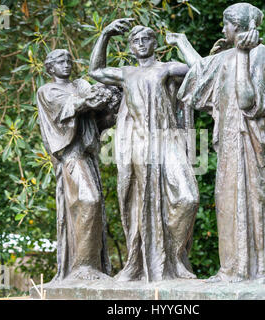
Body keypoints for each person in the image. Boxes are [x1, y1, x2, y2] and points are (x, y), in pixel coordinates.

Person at [167, 3, 265, 283]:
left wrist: (243, 54)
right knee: (227, 201)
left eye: (225, 24)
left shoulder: (259, 54)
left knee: (249, 201)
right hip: (229, 141)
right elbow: (202, 70)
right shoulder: (228, 55)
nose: (222, 29)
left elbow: (247, 100)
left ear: (237, 26)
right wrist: (182, 42)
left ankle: (248, 272)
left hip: (248, 143)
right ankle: (230, 269)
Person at [89, 20, 199, 282]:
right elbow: (95, 70)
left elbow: (199, 70)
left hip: (167, 140)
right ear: (130, 48)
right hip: (138, 142)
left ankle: (174, 258)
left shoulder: (167, 68)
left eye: (145, 39)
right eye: (135, 41)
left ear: (154, 43)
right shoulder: (126, 73)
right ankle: (136, 262)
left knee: (188, 198)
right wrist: (105, 34)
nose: (140, 44)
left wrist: (182, 43)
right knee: (138, 202)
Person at [36, 49, 120, 281]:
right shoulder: (48, 90)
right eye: (60, 62)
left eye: (68, 61)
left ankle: (93, 266)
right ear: (50, 68)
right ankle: (83, 266)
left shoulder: (81, 84)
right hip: (71, 155)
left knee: (93, 205)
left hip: (88, 155)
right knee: (88, 200)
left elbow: (98, 121)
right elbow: (69, 107)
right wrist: (91, 98)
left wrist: (112, 104)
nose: (66, 64)